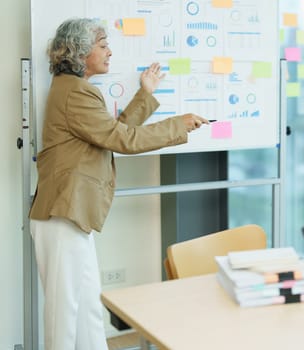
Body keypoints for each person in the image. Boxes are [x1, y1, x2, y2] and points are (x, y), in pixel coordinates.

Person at [29, 18, 209, 349]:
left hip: (71, 214)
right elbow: (121, 138)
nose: (110, 51)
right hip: (62, 214)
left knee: (87, 312)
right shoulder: (75, 93)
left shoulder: (75, 90)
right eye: (103, 45)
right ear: (81, 52)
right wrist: (177, 124)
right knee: (64, 315)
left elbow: (110, 135)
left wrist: (145, 95)